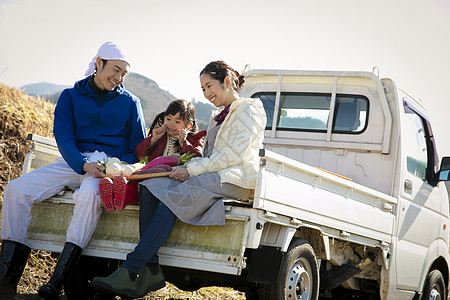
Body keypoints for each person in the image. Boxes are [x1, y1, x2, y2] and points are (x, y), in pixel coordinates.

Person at [91, 60, 267, 299]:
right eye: (203, 89)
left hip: (235, 178)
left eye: (209, 86)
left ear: (227, 82)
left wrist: (191, 171)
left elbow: (233, 155)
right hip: (215, 173)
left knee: (173, 195)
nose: (206, 94)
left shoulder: (248, 109)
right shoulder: (218, 117)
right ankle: (152, 269)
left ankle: (132, 268)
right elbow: (209, 156)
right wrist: (189, 166)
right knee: (149, 185)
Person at [0, 41, 146, 299]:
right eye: (115, 69)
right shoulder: (70, 96)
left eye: (124, 73)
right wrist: (81, 164)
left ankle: (56, 281)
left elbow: (135, 147)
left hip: (107, 167)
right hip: (73, 160)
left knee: (89, 196)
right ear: (98, 63)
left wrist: (113, 167)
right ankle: (6, 280)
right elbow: (63, 137)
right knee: (16, 189)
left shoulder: (131, 103)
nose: (119, 77)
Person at [98, 99, 206, 211]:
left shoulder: (195, 139)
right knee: (133, 182)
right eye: (168, 119)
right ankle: (112, 197)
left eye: (177, 122)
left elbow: (197, 159)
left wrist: (184, 143)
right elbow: (139, 154)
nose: (171, 124)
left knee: (139, 182)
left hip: (171, 178)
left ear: (188, 126)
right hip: (147, 174)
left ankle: (121, 198)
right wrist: (153, 140)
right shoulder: (160, 135)